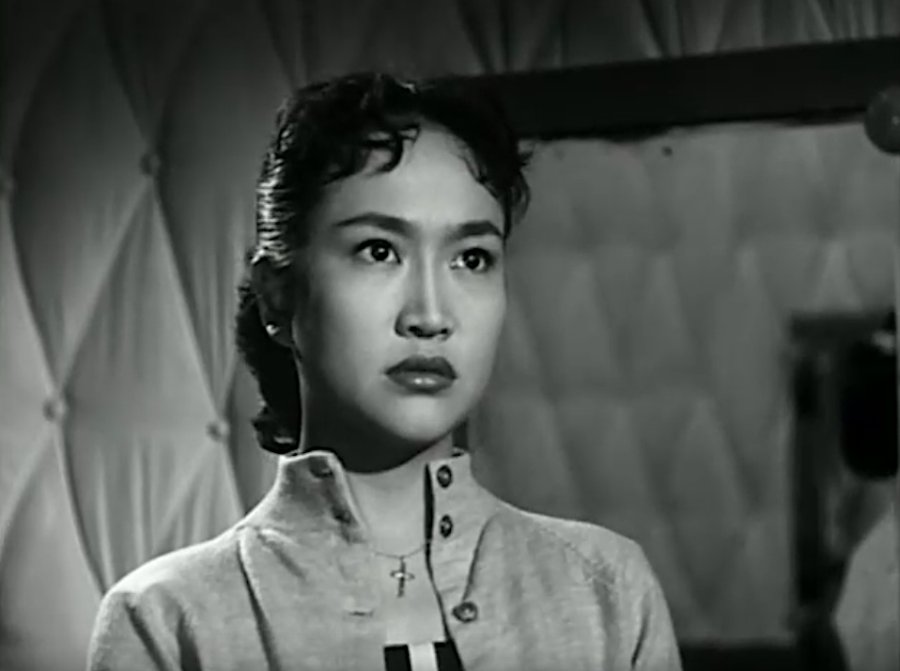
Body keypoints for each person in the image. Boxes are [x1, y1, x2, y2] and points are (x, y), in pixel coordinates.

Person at [87, 72, 682, 671]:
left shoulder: (606, 592)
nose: (430, 315)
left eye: (472, 258)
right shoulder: (167, 620)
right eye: (379, 251)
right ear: (277, 296)